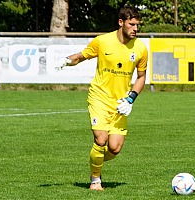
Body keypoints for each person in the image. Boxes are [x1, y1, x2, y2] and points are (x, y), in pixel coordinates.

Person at [57, 5, 148, 191]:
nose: (135, 29)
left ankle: (95, 158)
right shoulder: (102, 41)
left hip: (120, 102)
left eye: (138, 25)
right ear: (121, 22)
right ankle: (95, 180)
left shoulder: (140, 48)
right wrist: (67, 60)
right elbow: (81, 57)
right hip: (99, 97)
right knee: (101, 139)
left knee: (114, 148)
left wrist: (130, 99)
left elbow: (141, 77)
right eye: (132, 24)